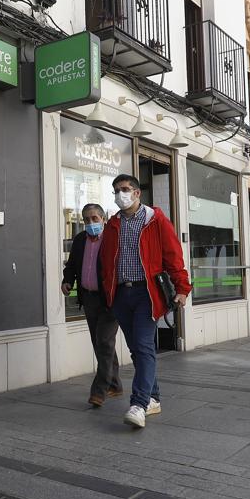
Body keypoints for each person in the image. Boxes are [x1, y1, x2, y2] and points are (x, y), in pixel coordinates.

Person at [99, 174, 191, 428]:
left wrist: (182, 288)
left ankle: (139, 404)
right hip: (120, 295)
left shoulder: (155, 220)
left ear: (138, 193)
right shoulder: (113, 224)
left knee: (142, 347)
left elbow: (174, 257)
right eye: (117, 190)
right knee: (138, 349)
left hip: (146, 295)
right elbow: (106, 262)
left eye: (126, 189)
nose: (121, 195)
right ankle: (153, 397)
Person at [61, 203, 122, 407]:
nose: (90, 223)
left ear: (103, 219)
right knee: (101, 343)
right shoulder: (79, 240)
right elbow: (71, 265)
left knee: (104, 341)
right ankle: (115, 384)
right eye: (86, 219)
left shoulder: (112, 240)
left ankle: (99, 391)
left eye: (95, 218)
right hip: (88, 298)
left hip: (109, 300)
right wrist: (67, 280)